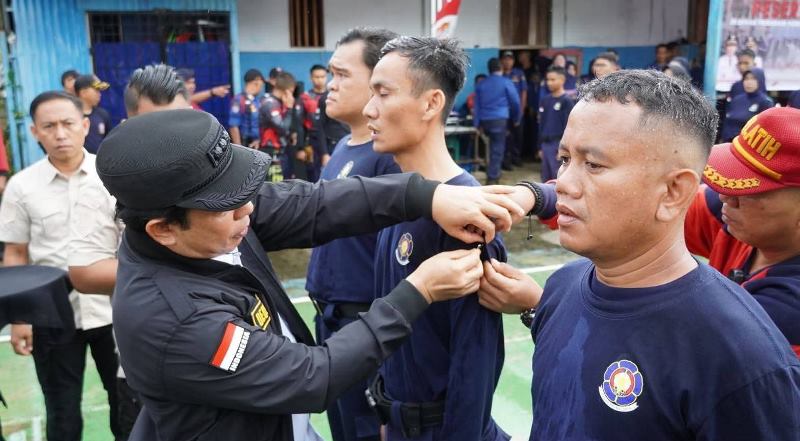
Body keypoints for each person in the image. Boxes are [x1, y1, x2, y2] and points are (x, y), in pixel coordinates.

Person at [96, 108, 523, 441]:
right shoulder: (176, 320)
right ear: (163, 229)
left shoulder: (208, 218)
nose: (249, 209)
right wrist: (416, 292)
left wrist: (428, 196)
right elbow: (313, 376)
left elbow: (315, 205)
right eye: (231, 205)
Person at [478, 70, 800, 440]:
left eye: (595, 164)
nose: (564, 181)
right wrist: (531, 197)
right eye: (565, 158)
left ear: (674, 191)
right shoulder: (563, 287)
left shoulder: (740, 356)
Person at [364, 36, 509, 441]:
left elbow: (475, 366)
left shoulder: (470, 221)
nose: (368, 108)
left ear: (431, 104)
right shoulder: (396, 199)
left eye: (383, 93)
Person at [68, 64, 194, 440]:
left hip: (224, 357)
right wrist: (172, 270)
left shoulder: (211, 169)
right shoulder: (102, 185)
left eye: (182, 124)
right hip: (151, 365)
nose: (174, 139)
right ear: (128, 125)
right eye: (157, 128)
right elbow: (85, 271)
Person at [0, 91, 120, 441]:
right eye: (49, 126)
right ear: (36, 132)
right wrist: (19, 318)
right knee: (62, 410)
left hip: (115, 311)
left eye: (68, 123)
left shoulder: (111, 176)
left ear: (85, 125)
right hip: (50, 316)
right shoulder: (22, 187)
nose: (60, 133)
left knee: (126, 402)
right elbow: (16, 254)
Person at [305, 27, 401, 441]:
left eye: (342, 74)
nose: (331, 84)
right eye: (330, 73)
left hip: (363, 325)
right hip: (331, 323)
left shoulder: (387, 160)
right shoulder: (345, 147)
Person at [691, 106, 800, 356]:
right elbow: (657, 208)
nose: (725, 195)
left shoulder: (788, 304)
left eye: (750, 189)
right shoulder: (747, 222)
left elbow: (692, 341)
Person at [474, 57, 521, 185]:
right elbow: (515, 102)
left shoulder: (481, 84)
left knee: (488, 147)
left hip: (484, 121)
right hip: (499, 120)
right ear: (500, 68)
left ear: (489, 70)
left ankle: (490, 172)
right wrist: (517, 118)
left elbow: (476, 106)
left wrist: (476, 124)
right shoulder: (506, 82)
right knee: (497, 148)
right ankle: (492, 177)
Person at [259, 71, 301, 179]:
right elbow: (282, 128)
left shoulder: (281, 102)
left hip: (282, 151)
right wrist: (289, 108)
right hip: (271, 152)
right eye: (292, 91)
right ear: (288, 90)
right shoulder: (270, 103)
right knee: (275, 189)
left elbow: (290, 127)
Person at [537, 66, 574, 181]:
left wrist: (565, 149)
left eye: (553, 80)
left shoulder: (566, 101)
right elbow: (541, 124)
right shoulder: (545, 100)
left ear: (562, 80)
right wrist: (540, 147)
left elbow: (570, 127)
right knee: (545, 177)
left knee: (558, 177)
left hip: (558, 144)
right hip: (546, 144)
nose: (549, 83)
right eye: (548, 80)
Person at [720, 68, 773, 142]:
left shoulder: (765, 102)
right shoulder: (736, 100)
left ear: (760, 81)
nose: (749, 82)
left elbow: (765, 130)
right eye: (746, 79)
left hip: (747, 147)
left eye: (753, 79)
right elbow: (727, 123)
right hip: (728, 145)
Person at [501, 50, 527, 168]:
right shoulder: (499, 74)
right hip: (504, 113)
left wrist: (521, 109)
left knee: (518, 136)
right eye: (505, 59)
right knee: (506, 137)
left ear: (513, 61)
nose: (508, 61)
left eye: (510, 59)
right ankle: (507, 160)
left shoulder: (519, 73)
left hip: (517, 111)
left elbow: (523, 92)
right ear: (502, 61)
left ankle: (516, 158)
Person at [74, 74, 113, 154]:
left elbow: (109, 140)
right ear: (83, 93)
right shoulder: (71, 116)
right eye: (96, 90)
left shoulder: (103, 114)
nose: (99, 94)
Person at [229, 68, 265, 148]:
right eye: (261, 85)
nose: (261, 88)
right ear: (256, 82)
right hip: (245, 143)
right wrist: (239, 149)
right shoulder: (239, 99)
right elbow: (233, 125)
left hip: (257, 144)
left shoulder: (256, 100)